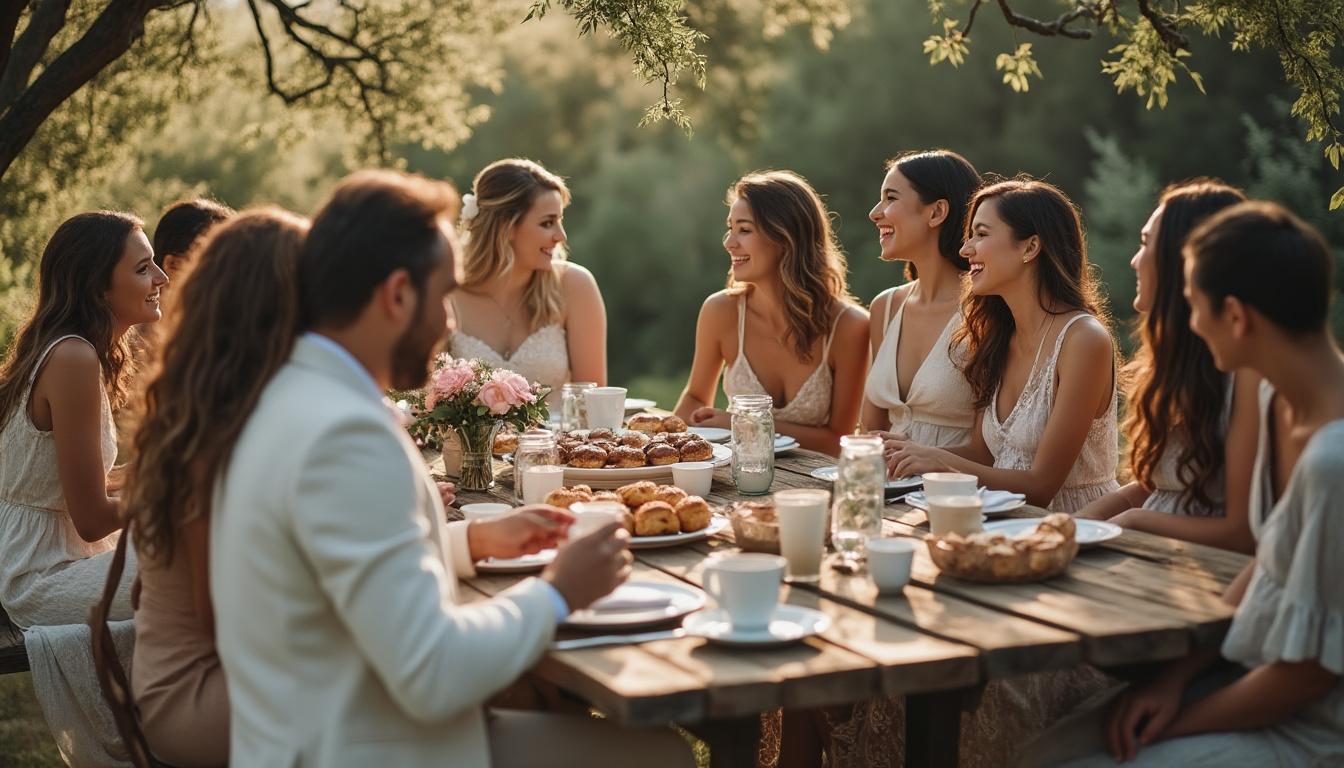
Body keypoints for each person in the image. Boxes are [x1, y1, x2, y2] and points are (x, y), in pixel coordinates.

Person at [210, 169, 691, 767]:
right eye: (443, 297)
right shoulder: (346, 436)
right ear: (395, 296)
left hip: (312, 733)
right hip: (363, 750)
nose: (449, 323)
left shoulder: (287, 396)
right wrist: (557, 593)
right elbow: (432, 673)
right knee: (659, 756)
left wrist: (467, 540)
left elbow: (339, 562)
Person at [1038, 201, 1344, 767]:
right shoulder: (1297, 409)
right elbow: (1269, 565)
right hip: (1249, 666)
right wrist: (1173, 680)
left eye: (1196, 307)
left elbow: (1306, 677)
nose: (1192, 323)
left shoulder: (1331, 458)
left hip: (1310, 727)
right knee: (1051, 748)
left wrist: (1178, 721)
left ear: (1235, 316)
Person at [98, 208, 309, 768]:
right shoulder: (217, 431)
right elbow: (231, 619)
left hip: (239, 669)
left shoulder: (222, 403)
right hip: (203, 692)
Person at [0, 211, 166, 766]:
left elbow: (78, 488)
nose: (160, 279)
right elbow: (93, 517)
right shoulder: (71, 357)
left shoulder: (71, 351)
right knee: (197, 560)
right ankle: (173, 737)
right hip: (37, 573)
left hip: (58, 551)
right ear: (99, 286)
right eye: (144, 269)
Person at [883, 178, 1120, 514]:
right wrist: (910, 451)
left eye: (981, 234)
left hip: (1074, 529)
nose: (965, 250)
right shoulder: (997, 337)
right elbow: (984, 456)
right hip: (1002, 523)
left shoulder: (1083, 340)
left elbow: (1041, 487)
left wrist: (938, 460)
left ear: (1030, 247)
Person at [1076, 181, 1259, 553]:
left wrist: (1131, 521)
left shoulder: (1248, 376)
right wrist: (1076, 524)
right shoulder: (1176, 362)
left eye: (1145, 244)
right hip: (1149, 552)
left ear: (1184, 260)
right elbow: (1156, 487)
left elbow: (1244, 532)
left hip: (1206, 567)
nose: (1134, 260)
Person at [675, 170, 869, 456]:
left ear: (784, 238)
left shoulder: (850, 326)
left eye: (744, 229)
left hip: (811, 486)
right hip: (737, 473)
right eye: (730, 228)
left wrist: (744, 423)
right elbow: (694, 397)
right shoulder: (721, 312)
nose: (729, 242)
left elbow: (836, 440)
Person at [447, 158, 606, 405]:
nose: (560, 235)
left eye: (560, 220)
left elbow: (595, 405)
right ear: (506, 227)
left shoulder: (575, 286)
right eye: (547, 223)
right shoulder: (447, 295)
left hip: (560, 443)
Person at [862, 149, 980, 446]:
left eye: (890, 198)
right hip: (890, 487)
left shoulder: (987, 310)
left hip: (960, 489)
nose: (875, 213)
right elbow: (870, 430)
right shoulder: (885, 307)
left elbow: (992, 450)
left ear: (937, 212)